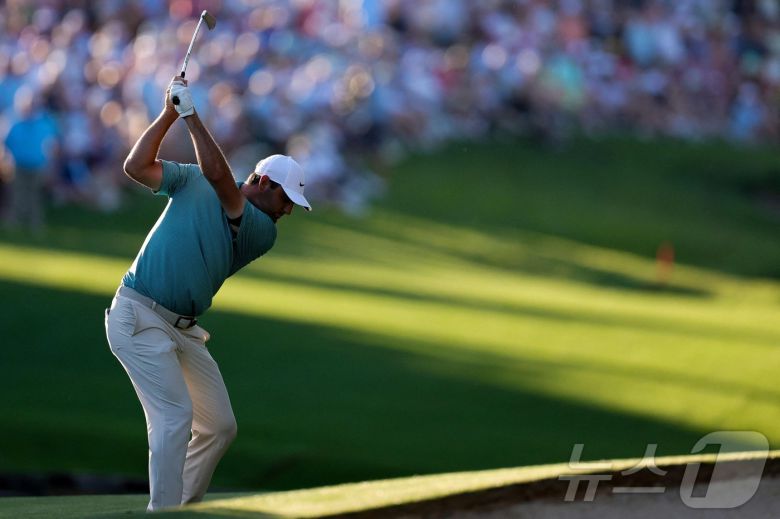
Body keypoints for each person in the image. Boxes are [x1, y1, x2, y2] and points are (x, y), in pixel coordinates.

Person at [105, 77, 311, 511]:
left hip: (182, 330)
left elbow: (220, 177)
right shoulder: (194, 178)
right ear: (261, 180)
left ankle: (180, 504)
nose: (289, 209)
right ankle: (164, 511)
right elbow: (136, 167)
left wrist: (191, 115)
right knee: (174, 416)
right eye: (286, 198)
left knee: (218, 425)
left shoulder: (261, 231)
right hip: (138, 316)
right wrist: (167, 113)